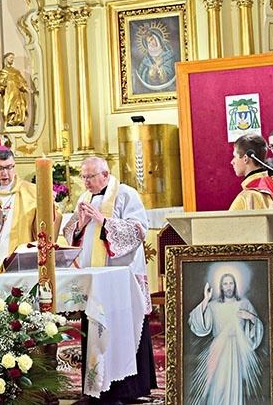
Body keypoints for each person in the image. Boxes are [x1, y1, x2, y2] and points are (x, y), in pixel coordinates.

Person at [62, 156, 156, 403]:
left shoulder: (125, 194)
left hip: (121, 279)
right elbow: (71, 233)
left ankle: (125, 390)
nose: (86, 182)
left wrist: (103, 221)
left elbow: (138, 230)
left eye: (90, 177)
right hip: (94, 278)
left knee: (122, 330)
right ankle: (95, 388)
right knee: (94, 326)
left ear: (105, 174)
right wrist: (80, 225)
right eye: (83, 177)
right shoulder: (84, 199)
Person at [187, 273, 263, 405]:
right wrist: (206, 299)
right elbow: (197, 323)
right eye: (225, 284)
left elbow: (258, 327)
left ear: (235, 285)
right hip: (219, 349)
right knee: (219, 384)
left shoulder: (244, 303)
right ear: (221, 287)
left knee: (235, 384)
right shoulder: (213, 305)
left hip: (237, 349)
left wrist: (250, 317)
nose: (228, 287)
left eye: (231, 283)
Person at [229, 133, 273, 210]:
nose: (232, 162)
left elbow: (229, 222)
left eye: (235, 156)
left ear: (245, 158)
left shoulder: (246, 196)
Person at [136, 25, 177, 89]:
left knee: (164, 69)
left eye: (152, 39)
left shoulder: (166, 47)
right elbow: (142, 68)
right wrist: (152, 70)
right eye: (149, 42)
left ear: (156, 37)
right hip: (155, 83)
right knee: (151, 72)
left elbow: (172, 56)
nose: (151, 43)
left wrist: (161, 61)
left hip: (169, 79)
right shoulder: (148, 56)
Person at [0, 52, 29, 127]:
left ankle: (19, 120)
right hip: (9, 92)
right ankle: (10, 120)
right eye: (11, 57)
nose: (12, 59)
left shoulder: (16, 72)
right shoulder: (4, 71)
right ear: (6, 58)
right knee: (10, 106)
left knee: (20, 105)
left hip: (18, 92)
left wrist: (25, 87)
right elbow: (2, 82)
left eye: (13, 58)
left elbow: (22, 81)